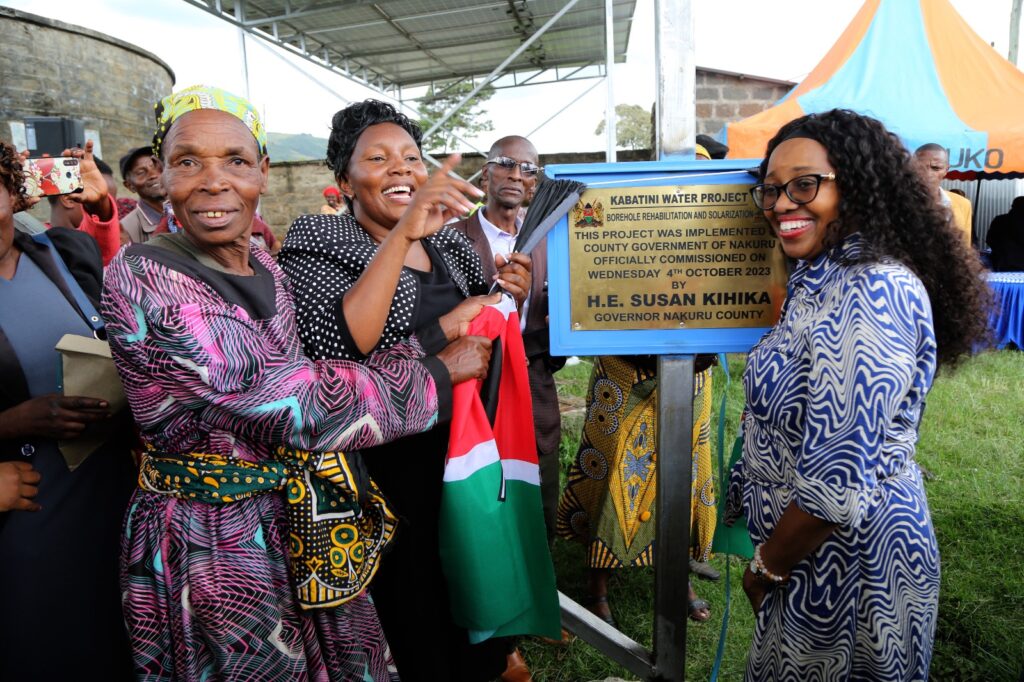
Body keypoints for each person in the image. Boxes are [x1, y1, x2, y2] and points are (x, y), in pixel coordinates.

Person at [101, 86, 493, 681]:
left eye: (235, 160)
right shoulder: (147, 276)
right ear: (160, 177)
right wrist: (437, 371)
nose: (213, 181)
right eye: (188, 162)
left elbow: (310, 373)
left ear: (263, 170)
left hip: (301, 518)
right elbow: (293, 403)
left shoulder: (259, 263)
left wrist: (433, 337)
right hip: (218, 539)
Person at [729, 109, 990, 681]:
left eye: (805, 184)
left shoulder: (872, 289)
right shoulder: (820, 275)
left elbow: (836, 480)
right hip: (808, 554)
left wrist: (766, 568)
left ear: (859, 185)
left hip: (847, 564)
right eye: (771, 190)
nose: (780, 204)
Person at [278, 99, 532, 682]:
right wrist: (443, 333)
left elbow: (481, 327)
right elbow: (334, 351)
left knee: (466, 590)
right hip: (383, 475)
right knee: (410, 614)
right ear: (344, 180)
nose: (400, 170)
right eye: (377, 158)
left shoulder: (449, 245)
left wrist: (508, 293)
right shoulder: (320, 238)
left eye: (411, 159)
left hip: (460, 457)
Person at [0, 140, 137, 679]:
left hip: (110, 488)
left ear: (16, 192)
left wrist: (103, 210)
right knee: (45, 643)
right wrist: (12, 421)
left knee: (120, 636)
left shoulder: (62, 254)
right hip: (28, 503)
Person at [44, 140, 122, 264]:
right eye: (100, 201)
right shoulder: (38, 249)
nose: (111, 211)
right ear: (68, 199)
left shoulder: (117, 241)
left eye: (109, 204)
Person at [914, 143, 973, 245]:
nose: (928, 174)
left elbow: (965, 246)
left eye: (936, 168)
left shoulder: (963, 204)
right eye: (921, 168)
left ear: (946, 170)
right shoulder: (899, 201)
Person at [118, 145, 167, 244]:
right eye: (141, 172)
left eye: (156, 167)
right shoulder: (127, 230)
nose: (153, 175)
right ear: (130, 186)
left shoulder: (186, 209)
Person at [987, 197, 1024, 272]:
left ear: (1012, 206)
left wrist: (999, 251)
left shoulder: (999, 219)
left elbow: (989, 239)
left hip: (1001, 263)